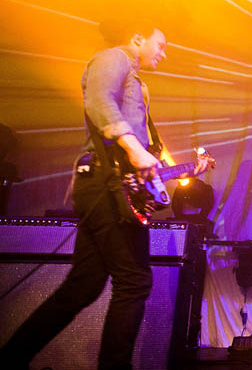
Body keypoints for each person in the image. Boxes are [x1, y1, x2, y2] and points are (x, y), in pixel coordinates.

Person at [0, 21, 206, 369]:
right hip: (105, 185)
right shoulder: (113, 58)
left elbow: (140, 151)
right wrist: (134, 149)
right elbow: (99, 101)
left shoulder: (138, 81)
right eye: (160, 44)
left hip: (111, 185)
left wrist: (168, 165)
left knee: (82, 287)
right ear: (138, 37)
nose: (163, 52)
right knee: (135, 281)